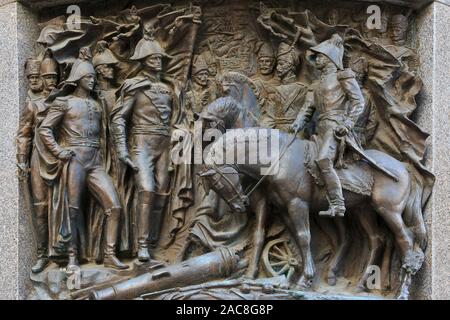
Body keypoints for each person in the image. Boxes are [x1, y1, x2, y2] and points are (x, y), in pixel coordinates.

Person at [38, 48, 128, 270]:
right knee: (73, 210)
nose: (92, 81)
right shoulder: (64, 102)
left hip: (95, 161)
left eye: (93, 77)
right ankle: (72, 258)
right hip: (75, 159)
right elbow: (45, 129)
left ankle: (109, 254)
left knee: (114, 206)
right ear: (77, 79)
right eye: (88, 77)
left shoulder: (97, 104)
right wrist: (59, 151)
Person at [111, 28, 173, 262]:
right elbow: (119, 118)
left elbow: (176, 118)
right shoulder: (134, 87)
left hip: (164, 144)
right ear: (144, 61)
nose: (158, 62)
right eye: (153, 58)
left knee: (162, 193)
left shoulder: (169, 88)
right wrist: (122, 150)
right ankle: (142, 245)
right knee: (146, 190)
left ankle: (156, 241)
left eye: (159, 58)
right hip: (141, 143)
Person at [290, 34, 365, 217]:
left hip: (337, 127)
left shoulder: (343, 77)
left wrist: (347, 124)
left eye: (320, 56)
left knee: (323, 159)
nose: (317, 60)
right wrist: (298, 123)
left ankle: (338, 204)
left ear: (330, 57)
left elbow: (358, 102)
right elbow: (308, 109)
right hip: (320, 129)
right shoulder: (315, 85)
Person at [16, 54, 59, 273]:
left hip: (62, 160)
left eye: (54, 77)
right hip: (39, 158)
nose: (51, 81)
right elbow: (24, 135)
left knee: (63, 207)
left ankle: (64, 254)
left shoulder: (64, 101)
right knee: (41, 208)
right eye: (47, 77)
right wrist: (22, 162)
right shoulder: (33, 105)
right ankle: (42, 254)